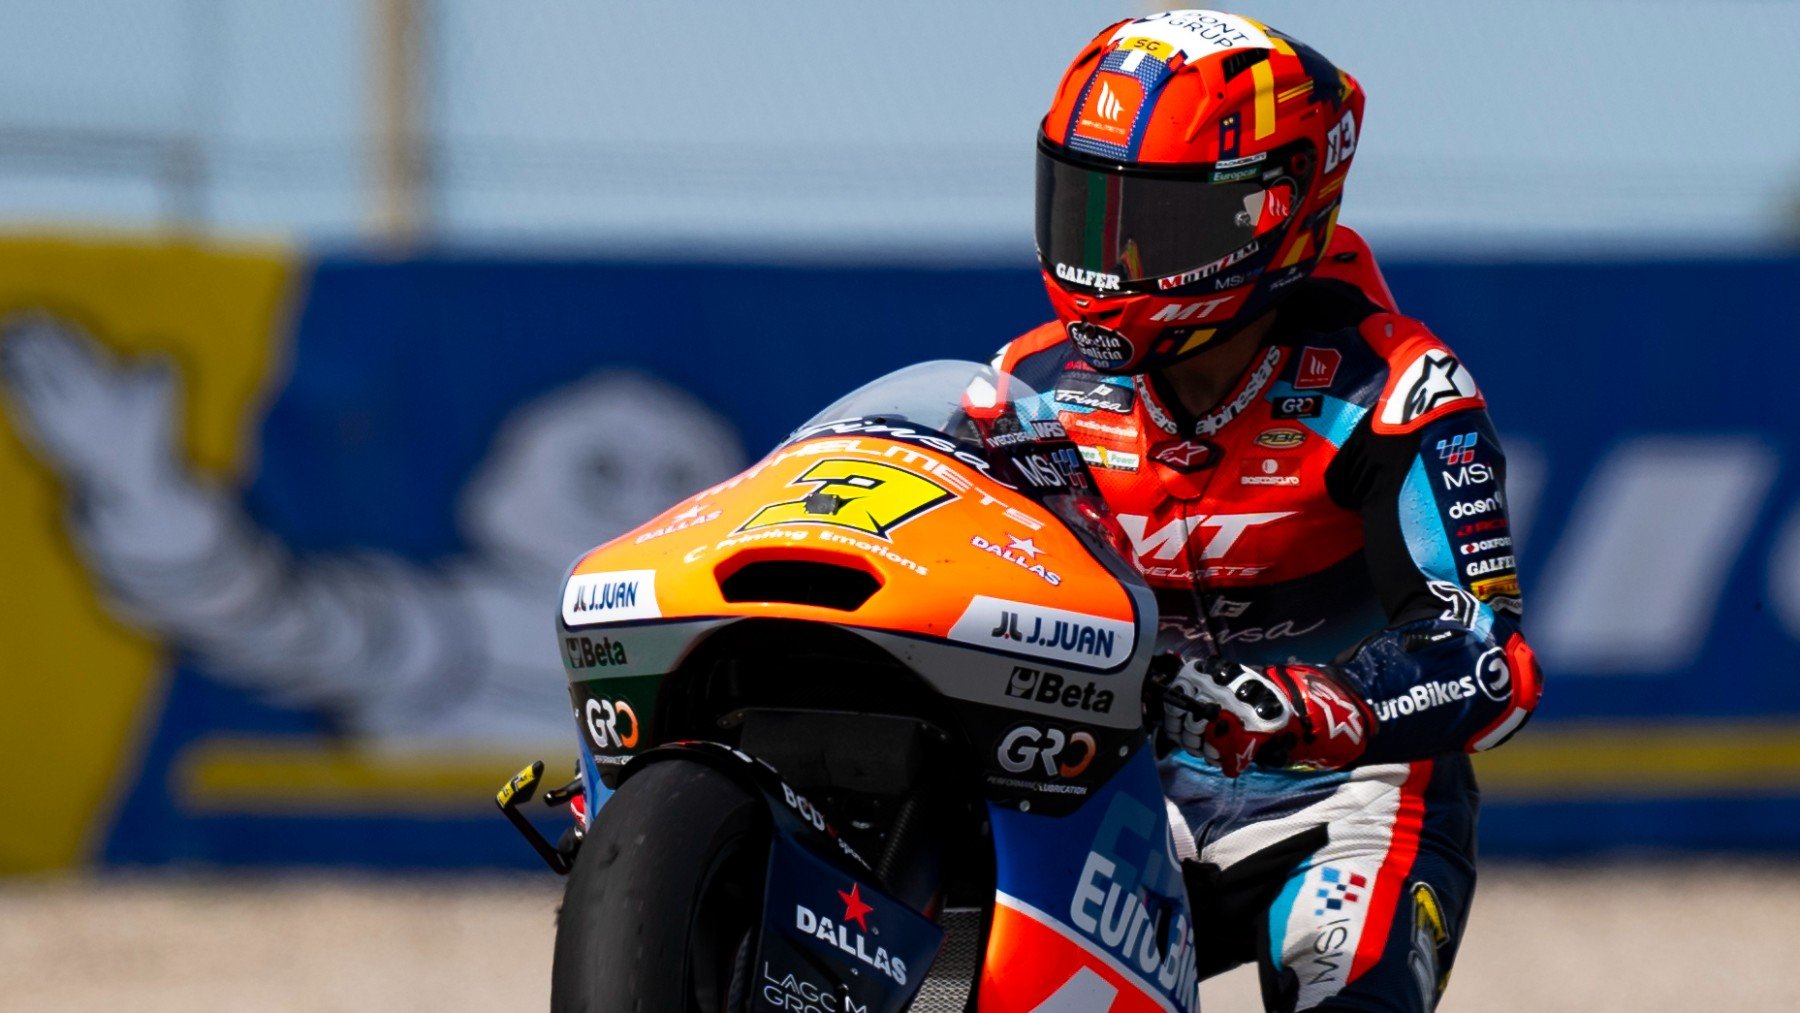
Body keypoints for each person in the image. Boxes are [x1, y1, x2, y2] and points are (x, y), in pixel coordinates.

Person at [993, 11, 1542, 1011]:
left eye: (1154, 223)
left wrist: (1314, 704)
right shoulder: (1028, 387)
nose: (1110, 260)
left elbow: (1490, 661)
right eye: (1089, 208)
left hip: (1353, 802)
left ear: (1275, 213)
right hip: (1121, 803)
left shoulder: (1401, 388)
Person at [0, 314, 745, 746]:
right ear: (520, 482)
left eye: (678, 479)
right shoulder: (463, 628)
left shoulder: (739, 652)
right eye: (602, 471)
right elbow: (276, 619)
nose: (643, 502)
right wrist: (143, 494)